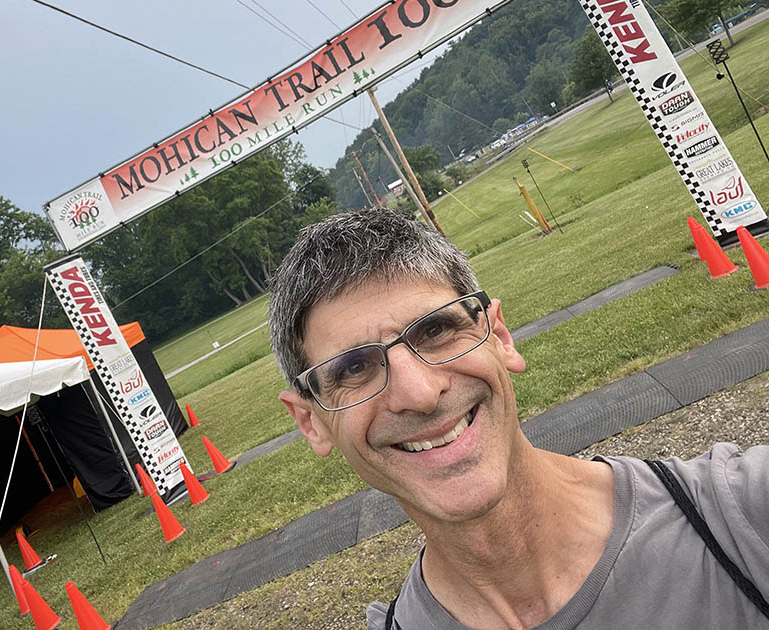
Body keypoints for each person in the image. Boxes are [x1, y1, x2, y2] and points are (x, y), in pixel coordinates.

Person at [268, 207, 769, 629]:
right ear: (311, 421)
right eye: (354, 367)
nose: (419, 394)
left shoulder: (743, 516)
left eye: (437, 330)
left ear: (500, 337)